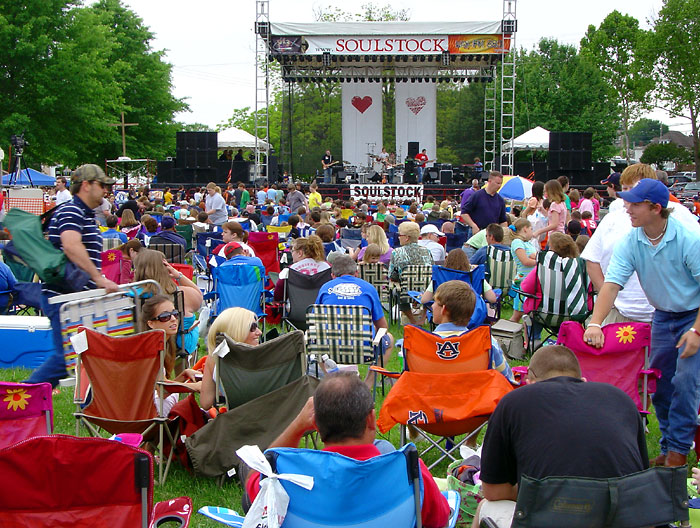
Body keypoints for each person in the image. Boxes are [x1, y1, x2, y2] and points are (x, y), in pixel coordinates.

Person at [583, 178, 700, 467]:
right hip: (662, 316)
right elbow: (611, 285)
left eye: (635, 204)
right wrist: (595, 323)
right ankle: (668, 446)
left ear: (656, 208)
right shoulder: (632, 241)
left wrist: (696, 330)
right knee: (658, 384)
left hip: (693, 315)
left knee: (685, 382)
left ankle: (679, 452)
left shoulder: (689, 239)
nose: (627, 208)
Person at [243, 373, 451, 528]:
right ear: (371, 419)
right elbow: (439, 520)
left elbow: (256, 476)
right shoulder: (410, 471)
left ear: (314, 425)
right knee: (384, 448)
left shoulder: (283, 480)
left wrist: (297, 425)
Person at [473, 345, 648, 528]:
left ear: (530, 382)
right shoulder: (621, 399)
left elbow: (494, 491)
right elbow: (642, 481)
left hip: (549, 517)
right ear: (582, 381)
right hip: (625, 517)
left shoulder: (513, 402)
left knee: (486, 506)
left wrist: (546, 493)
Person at [25, 164, 119, 387]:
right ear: (86, 185)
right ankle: (17, 401)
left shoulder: (83, 214)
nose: (106, 190)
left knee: (87, 356)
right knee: (66, 358)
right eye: (102, 184)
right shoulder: (71, 210)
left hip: (76, 298)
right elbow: (71, 245)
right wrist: (98, 278)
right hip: (64, 299)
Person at [315, 255, 395, 384]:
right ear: (356, 273)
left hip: (329, 349)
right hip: (364, 350)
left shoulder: (325, 288)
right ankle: (367, 386)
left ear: (333, 275)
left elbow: (315, 323)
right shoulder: (368, 288)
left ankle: (331, 382)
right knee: (389, 339)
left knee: (315, 340)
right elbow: (383, 327)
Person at [431, 280, 514, 383]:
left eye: (435, 302)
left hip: (429, 397)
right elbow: (507, 379)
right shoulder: (487, 343)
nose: (432, 306)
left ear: (444, 309)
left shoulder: (419, 343)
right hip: (477, 397)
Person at [134, 249, 203, 365]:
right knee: (191, 325)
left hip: (140, 344)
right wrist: (178, 275)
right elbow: (199, 297)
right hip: (177, 344)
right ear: (164, 268)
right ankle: (184, 372)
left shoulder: (131, 294)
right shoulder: (179, 293)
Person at [141, 295, 201, 416]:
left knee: (176, 395)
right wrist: (194, 386)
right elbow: (162, 390)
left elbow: (163, 388)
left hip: (141, 409)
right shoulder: (150, 350)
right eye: (165, 317)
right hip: (146, 413)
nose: (173, 319)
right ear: (151, 323)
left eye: (175, 313)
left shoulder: (159, 345)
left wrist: (184, 375)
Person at [199, 307, 263, 410]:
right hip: (275, 420)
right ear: (236, 331)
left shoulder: (214, 360)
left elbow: (206, 402)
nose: (259, 332)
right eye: (252, 327)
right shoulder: (264, 357)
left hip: (236, 421)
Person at [388, 221, 433, 325]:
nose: (398, 237)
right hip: (426, 290)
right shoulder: (427, 251)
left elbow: (392, 275)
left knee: (397, 290)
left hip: (406, 291)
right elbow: (432, 270)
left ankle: (412, 321)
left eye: (400, 235)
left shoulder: (397, 252)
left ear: (407, 237)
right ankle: (422, 319)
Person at [273, 236, 330, 301]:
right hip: (321, 308)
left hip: (295, 309)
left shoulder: (289, 270)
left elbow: (278, 296)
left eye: (292, 251)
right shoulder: (328, 267)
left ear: (300, 253)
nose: (292, 254)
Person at [509, 218, 537, 324]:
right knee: (518, 314)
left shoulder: (528, 243)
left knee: (526, 315)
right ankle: (507, 335)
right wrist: (540, 261)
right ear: (525, 229)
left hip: (530, 280)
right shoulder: (517, 242)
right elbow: (525, 261)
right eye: (531, 229)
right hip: (523, 281)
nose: (532, 232)